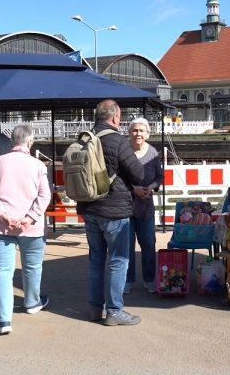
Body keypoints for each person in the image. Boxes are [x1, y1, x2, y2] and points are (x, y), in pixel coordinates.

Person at [76, 99, 144, 326]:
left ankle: (95, 308)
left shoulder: (84, 138)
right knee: (118, 260)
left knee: (96, 260)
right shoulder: (117, 140)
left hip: (89, 208)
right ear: (115, 117)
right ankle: (114, 311)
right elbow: (138, 174)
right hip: (114, 211)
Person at [0, 125, 51, 335]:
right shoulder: (38, 165)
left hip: (0, 226)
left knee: (2, 272)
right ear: (30, 142)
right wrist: (29, 218)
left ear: (12, 142)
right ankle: (31, 302)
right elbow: (44, 196)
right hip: (31, 227)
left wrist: (2, 214)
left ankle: (4, 321)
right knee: (32, 267)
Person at [125, 118, 163, 294]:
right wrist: (134, 189)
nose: (138, 134)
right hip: (125, 206)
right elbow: (117, 177)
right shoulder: (123, 152)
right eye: (134, 130)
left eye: (141, 130)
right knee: (127, 245)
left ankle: (149, 279)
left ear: (147, 133)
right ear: (129, 133)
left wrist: (151, 187)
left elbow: (159, 176)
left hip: (146, 206)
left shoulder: (153, 152)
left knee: (148, 243)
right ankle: (127, 280)